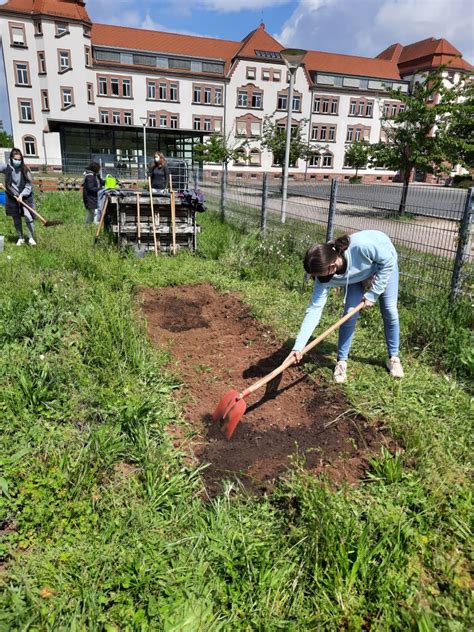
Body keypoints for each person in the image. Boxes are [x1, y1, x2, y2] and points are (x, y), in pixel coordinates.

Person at [288, 230, 404, 382]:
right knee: (349, 314)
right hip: (356, 276)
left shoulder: (361, 247)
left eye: (318, 274)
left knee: (389, 309)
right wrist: (299, 347)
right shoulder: (324, 278)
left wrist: (374, 293)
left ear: (331, 265)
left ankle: (393, 358)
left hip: (382, 263)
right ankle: (341, 361)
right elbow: (314, 310)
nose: (316, 278)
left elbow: (387, 261)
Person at [0, 148, 36, 246]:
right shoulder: (7, 168)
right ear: (11, 158)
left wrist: (21, 195)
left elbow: (29, 186)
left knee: (28, 217)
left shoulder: (25, 169)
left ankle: (31, 238)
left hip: (25, 196)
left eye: (19, 159)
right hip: (12, 196)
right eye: (16, 159)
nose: (18, 161)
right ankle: (20, 238)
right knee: (16, 218)